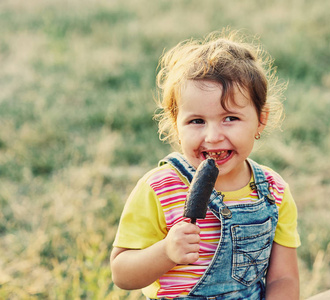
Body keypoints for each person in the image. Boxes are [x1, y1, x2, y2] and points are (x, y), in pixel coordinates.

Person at [110, 29, 301, 300]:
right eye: (196, 121)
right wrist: (165, 252)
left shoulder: (273, 192)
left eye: (230, 118)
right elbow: (121, 274)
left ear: (261, 119)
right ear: (176, 126)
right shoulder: (160, 189)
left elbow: (283, 278)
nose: (212, 137)